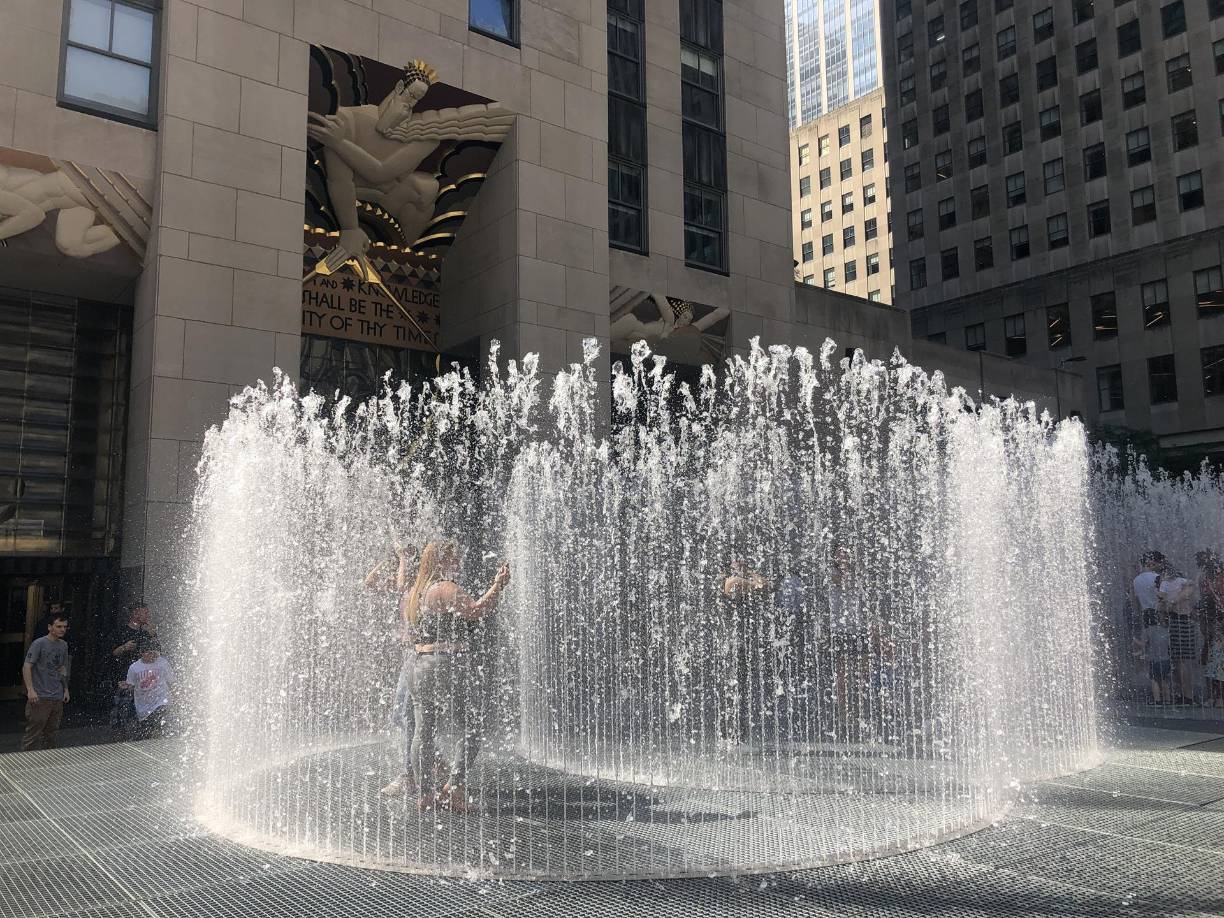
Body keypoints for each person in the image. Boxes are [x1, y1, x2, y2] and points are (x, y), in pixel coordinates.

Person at [406, 539, 510, 811]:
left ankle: (425, 795)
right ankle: (454, 789)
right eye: (453, 558)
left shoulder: (416, 592)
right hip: (448, 662)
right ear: (441, 561)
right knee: (472, 725)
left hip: (420, 664)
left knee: (423, 731)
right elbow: (476, 611)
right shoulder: (445, 588)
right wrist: (498, 586)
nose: (458, 563)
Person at [370, 542, 419, 797]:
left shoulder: (420, 587)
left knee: (407, 715)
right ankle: (432, 759)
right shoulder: (408, 584)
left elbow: (399, 584)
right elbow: (370, 582)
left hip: (420, 655)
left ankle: (409, 775)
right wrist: (390, 558)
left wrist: (401, 556)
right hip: (411, 655)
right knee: (401, 715)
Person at [720, 558, 771, 748]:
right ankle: (728, 734)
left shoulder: (742, 580)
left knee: (741, 689)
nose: (740, 565)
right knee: (730, 689)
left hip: (742, 643)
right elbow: (746, 585)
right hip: (729, 644)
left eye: (742, 562)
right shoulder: (727, 581)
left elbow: (765, 585)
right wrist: (752, 579)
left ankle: (738, 734)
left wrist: (750, 573)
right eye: (735, 562)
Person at [21, 613, 70, 751]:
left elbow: (63, 668)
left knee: (51, 733)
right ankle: (26, 763)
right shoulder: (39, 643)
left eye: (65, 627)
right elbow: (27, 666)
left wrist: (65, 689)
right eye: (58, 626)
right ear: (50, 627)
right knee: (34, 732)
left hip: (57, 695)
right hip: (40, 695)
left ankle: (48, 763)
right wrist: (30, 690)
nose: (62, 629)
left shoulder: (63, 645)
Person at [109, 603, 156, 739]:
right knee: (123, 713)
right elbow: (112, 653)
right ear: (135, 614)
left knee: (144, 715)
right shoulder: (121, 631)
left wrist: (153, 636)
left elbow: (158, 653)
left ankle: (142, 738)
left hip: (145, 680)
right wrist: (124, 647)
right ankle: (121, 740)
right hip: (126, 679)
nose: (148, 615)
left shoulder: (147, 633)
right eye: (145, 612)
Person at [1158, 566, 1200, 705]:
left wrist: (1170, 601)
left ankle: (1182, 694)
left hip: (1175, 621)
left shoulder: (1165, 584)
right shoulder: (1182, 582)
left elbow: (1161, 601)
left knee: (1178, 661)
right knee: (1182, 661)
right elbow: (1192, 585)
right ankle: (1186, 695)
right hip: (1184, 621)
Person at [122, 642, 174, 738]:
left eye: (155, 653)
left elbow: (171, 681)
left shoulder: (163, 663)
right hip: (144, 703)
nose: (152, 655)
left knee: (160, 712)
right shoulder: (134, 667)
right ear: (142, 653)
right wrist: (126, 686)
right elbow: (131, 685)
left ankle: (160, 735)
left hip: (161, 698)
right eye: (149, 653)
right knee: (147, 730)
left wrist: (177, 694)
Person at [1135, 610, 1173, 705]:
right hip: (1166, 659)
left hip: (1154, 660)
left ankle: (1157, 700)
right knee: (1165, 680)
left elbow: (1143, 644)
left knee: (1154, 680)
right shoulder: (1165, 630)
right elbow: (1169, 644)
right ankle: (1167, 700)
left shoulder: (1147, 631)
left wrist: (1134, 640)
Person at [1204, 618, 1224, 708]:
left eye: (1217, 628)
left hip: (1221, 663)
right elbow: (1206, 649)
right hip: (1211, 662)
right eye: (1213, 627)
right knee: (1209, 679)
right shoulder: (1210, 638)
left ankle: (1220, 699)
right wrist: (1203, 658)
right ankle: (1211, 698)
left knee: (1220, 680)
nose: (1214, 629)